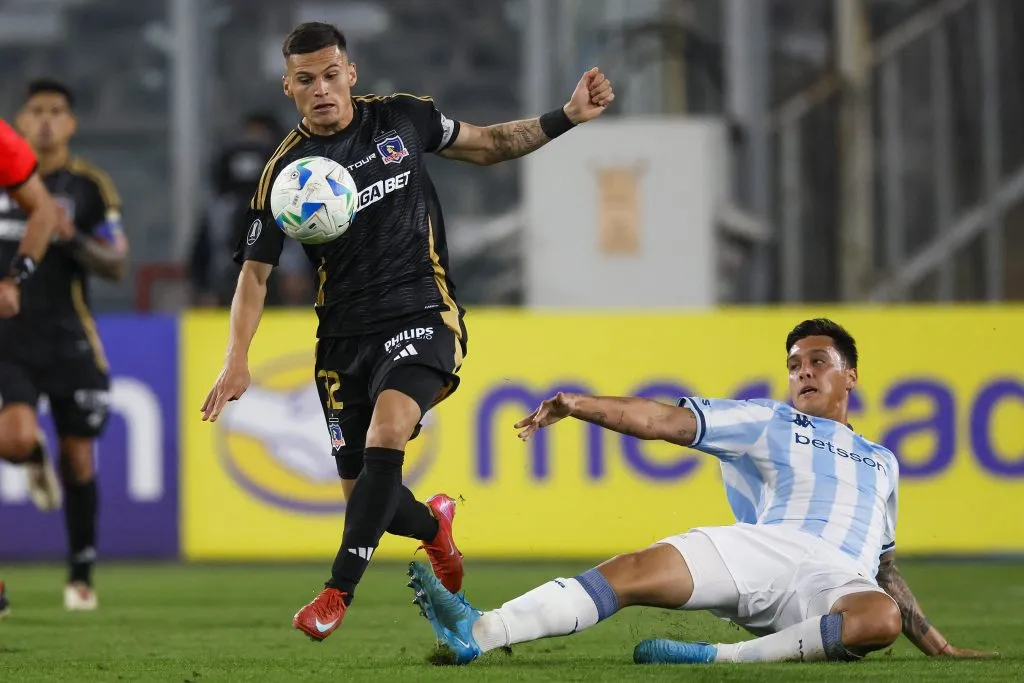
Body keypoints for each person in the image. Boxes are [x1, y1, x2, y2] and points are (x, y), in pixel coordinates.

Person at [200, 21, 614, 642]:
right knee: (365, 494)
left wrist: (567, 116)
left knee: (387, 431)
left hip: (423, 314)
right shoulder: (284, 174)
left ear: (351, 73)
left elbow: (490, 143)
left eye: (331, 74)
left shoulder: (401, 119)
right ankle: (432, 528)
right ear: (288, 87)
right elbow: (254, 278)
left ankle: (336, 591)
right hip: (342, 340)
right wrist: (237, 359)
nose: (322, 89)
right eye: (306, 80)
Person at [408, 318, 998, 665]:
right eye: (794, 364)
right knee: (632, 570)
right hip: (765, 549)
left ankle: (714, 657)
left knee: (880, 617)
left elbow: (884, 564)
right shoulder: (772, 422)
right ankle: (480, 632)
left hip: (836, 580)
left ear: (851, 375)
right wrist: (579, 404)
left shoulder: (884, 461)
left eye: (818, 361)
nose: (804, 372)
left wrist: (938, 646)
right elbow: (665, 420)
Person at [0, 79, 130, 612]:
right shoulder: (6, 171)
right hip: (10, 339)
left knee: (79, 460)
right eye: (37, 111)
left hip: (70, 336)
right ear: (21, 120)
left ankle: (80, 574)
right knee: (11, 440)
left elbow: (118, 262)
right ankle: (31, 455)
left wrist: (70, 236)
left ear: (72, 123)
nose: (47, 121)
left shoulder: (88, 185)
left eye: (58, 111)